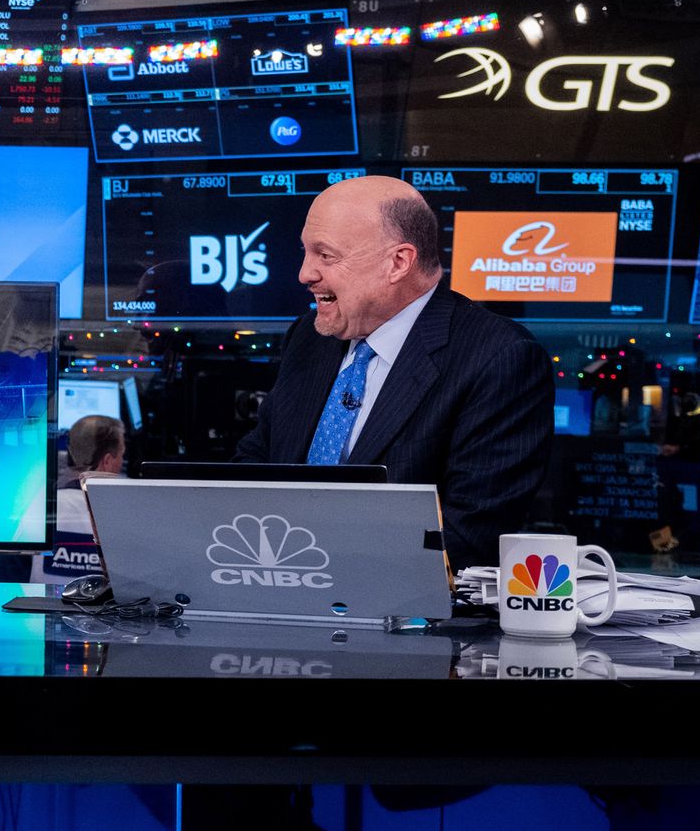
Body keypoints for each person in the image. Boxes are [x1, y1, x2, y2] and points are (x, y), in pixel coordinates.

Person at [233, 175, 552, 566]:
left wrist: (318, 564)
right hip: (274, 577)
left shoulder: (499, 358)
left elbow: (470, 537)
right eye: (306, 252)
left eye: (325, 256)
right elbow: (255, 465)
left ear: (398, 262)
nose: (305, 273)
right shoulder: (308, 336)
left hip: (399, 599)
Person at [56, 414, 126, 538]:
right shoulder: (120, 514)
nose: (122, 461)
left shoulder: (42, 506)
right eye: (121, 455)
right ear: (107, 461)